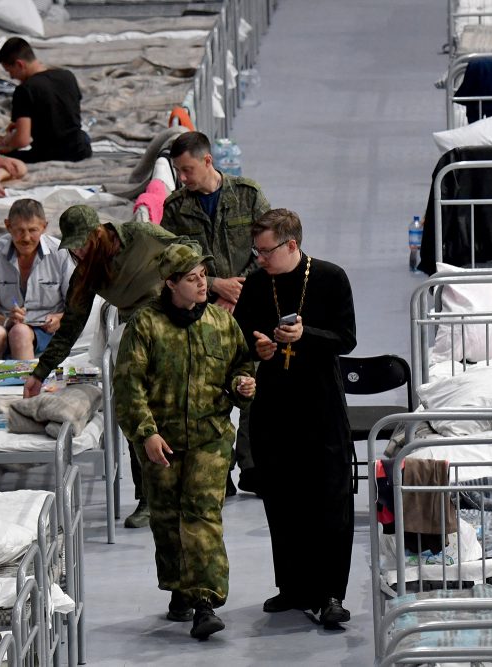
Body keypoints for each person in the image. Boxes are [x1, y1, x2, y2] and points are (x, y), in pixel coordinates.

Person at [113, 243, 255, 640]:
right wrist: (146, 433)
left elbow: (241, 365)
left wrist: (243, 385)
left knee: (202, 517)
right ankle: (178, 589)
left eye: (204, 276)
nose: (202, 284)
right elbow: (128, 387)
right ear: (170, 283)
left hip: (211, 437)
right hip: (163, 441)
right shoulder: (146, 325)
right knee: (167, 519)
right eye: (192, 279)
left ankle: (205, 602)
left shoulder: (221, 323)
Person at [23, 205, 195, 528]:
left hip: (172, 324)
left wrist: (179, 285)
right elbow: (70, 328)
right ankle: (149, 499)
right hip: (134, 338)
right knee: (137, 417)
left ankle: (186, 491)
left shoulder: (141, 236)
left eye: (82, 242)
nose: (78, 250)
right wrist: (39, 372)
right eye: (72, 246)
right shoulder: (88, 273)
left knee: (178, 410)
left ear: (99, 231)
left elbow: (190, 249)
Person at [233, 208, 357, 628]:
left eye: (266, 251)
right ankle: (292, 587)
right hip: (274, 406)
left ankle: (331, 594)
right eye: (257, 251)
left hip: (320, 404)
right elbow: (241, 336)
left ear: (291, 245)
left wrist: (307, 336)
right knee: (282, 499)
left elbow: (346, 337)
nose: (260, 259)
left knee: (328, 501)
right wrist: (260, 349)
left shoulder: (329, 277)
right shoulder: (255, 284)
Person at [161, 130, 270, 497]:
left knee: (253, 385)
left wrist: (241, 289)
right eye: (179, 172)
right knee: (209, 388)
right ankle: (216, 466)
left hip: (248, 305)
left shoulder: (247, 196)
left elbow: (267, 252)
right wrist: (217, 285)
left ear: (208, 161)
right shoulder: (176, 208)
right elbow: (172, 262)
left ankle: (252, 466)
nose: (183, 178)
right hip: (201, 311)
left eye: (188, 169)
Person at [0, 198, 74, 360]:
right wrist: (7, 321)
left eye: (33, 230)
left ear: (44, 227)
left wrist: (59, 319)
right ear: (8, 226)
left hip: (45, 330)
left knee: (20, 333)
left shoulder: (61, 253)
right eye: (19, 230)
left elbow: (77, 307)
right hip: (6, 324)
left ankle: (25, 384)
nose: (26, 238)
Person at [0, 37, 92, 164]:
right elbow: (64, 112)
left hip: (52, 154)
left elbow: (22, 140)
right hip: (80, 150)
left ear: (19, 64)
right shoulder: (67, 75)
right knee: (81, 135)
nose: (11, 77)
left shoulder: (24, 90)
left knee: (1, 158)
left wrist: (7, 146)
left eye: (10, 71)